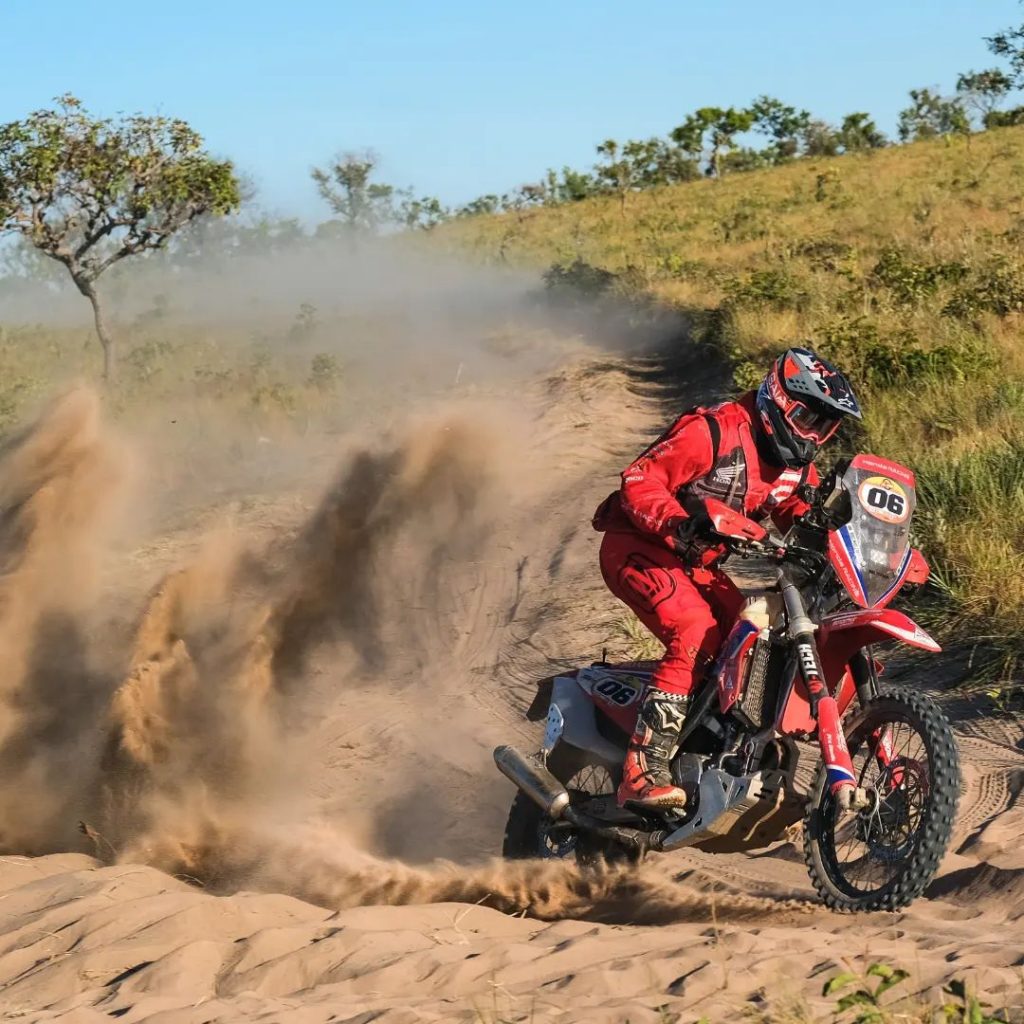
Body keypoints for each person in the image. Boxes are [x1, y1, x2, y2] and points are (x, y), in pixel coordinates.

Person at [592, 347, 862, 810]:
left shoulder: (796, 467)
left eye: (825, 425)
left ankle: (703, 746)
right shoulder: (711, 431)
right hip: (638, 543)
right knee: (695, 629)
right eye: (806, 417)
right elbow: (638, 479)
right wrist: (678, 524)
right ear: (778, 400)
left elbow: (796, 512)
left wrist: (841, 534)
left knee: (746, 634)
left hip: (697, 560)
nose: (813, 433)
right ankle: (640, 770)